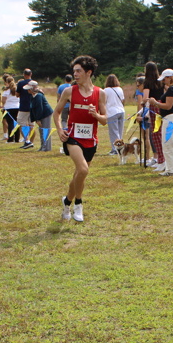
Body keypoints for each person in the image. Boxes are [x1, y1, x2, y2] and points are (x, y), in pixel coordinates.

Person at [54, 55, 107, 222]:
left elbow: (105, 120)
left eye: (78, 71)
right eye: (74, 71)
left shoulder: (100, 93)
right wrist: (59, 130)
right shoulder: (69, 91)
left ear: (88, 72)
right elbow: (56, 112)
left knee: (79, 174)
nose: (75, 74)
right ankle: (78, 204)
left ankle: (66, 202)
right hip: (72, 138)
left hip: (91, 140)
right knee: (83, 170)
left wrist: (96, 114)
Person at [148, 68, 173, 176]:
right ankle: (172, 168)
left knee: (168, 144)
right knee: (172, 144)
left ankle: (171, 170)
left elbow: (168, 106)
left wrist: (155, 103)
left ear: (169, 78)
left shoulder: (172, 90)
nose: (163, 81)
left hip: (170, 119)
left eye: (164, 79)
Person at [141, 62, 165, 171]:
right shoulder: (160, 81)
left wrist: (143, 102)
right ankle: (162, 158)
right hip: (161, 106)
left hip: (153, 107)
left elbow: (145, 98)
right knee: (161, 133)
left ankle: (160, 159)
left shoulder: (147, 83)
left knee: (155, 134)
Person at [28, 81, 54, 152]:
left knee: (45, 130)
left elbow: (39, 108)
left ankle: (46, 148)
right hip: (40, 115)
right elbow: (32, 108)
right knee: (41, 130)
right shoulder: (32, 96)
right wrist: (35, 119)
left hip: (45, 114)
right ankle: (42, 146)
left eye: (29, 89)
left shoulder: (38, 96)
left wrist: (38, 119)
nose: (27, 90)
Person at [104, 74, 126, 154]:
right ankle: (121, 147)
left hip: (112, 112)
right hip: (121, 111)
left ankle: (115, 149)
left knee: (113, 132)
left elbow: (104, 101)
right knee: (120, 131)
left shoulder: (106, 90)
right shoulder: (120, 89)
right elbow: (123, 100)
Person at [17, 69, 34, 149]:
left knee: (21, 123)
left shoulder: (21, 83)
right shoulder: (34, 83)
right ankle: (30, 141)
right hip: (33, 106)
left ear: (24, 75)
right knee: (31, 124)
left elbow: (17, 94)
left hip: (24, 106)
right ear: (31, 74)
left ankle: (27, 140)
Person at [2, 74, 21, 143]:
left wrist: (3, 106)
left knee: (10, 123)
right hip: (17, 107)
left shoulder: (6, 92)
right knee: (17, 123)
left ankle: (10, 139)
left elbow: (3, 100)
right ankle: (17, 139)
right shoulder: (17, 91)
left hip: (9, 108)